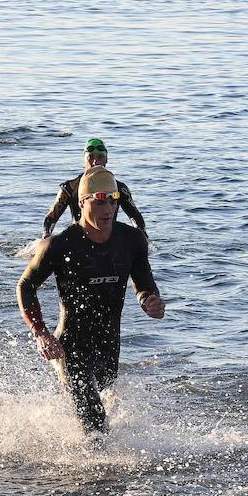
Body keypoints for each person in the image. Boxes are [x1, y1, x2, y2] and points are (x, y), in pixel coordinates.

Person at [18, 166, 165, 433]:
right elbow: (26, 286)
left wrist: (149, 301)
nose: (107, 207)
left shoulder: (131, 240)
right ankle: (94, 472)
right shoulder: (60, 245)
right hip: (70, 344)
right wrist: (40, 333)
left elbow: (144, 284)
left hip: (109, 344)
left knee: (100, 398)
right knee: (95, 421)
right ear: (82, 202)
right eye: (99, 200)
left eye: (113, 199)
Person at [42, 138, 146, 239]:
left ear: (106, 160)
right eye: (91, 157)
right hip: (79, 239)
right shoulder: (69, 188)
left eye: (100, 157)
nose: (95, 162)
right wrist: (46, 235)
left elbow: (135, 216)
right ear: (84, 159)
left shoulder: (120, 189)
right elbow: (51, 218)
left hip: (109, 239)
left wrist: (142, 236)